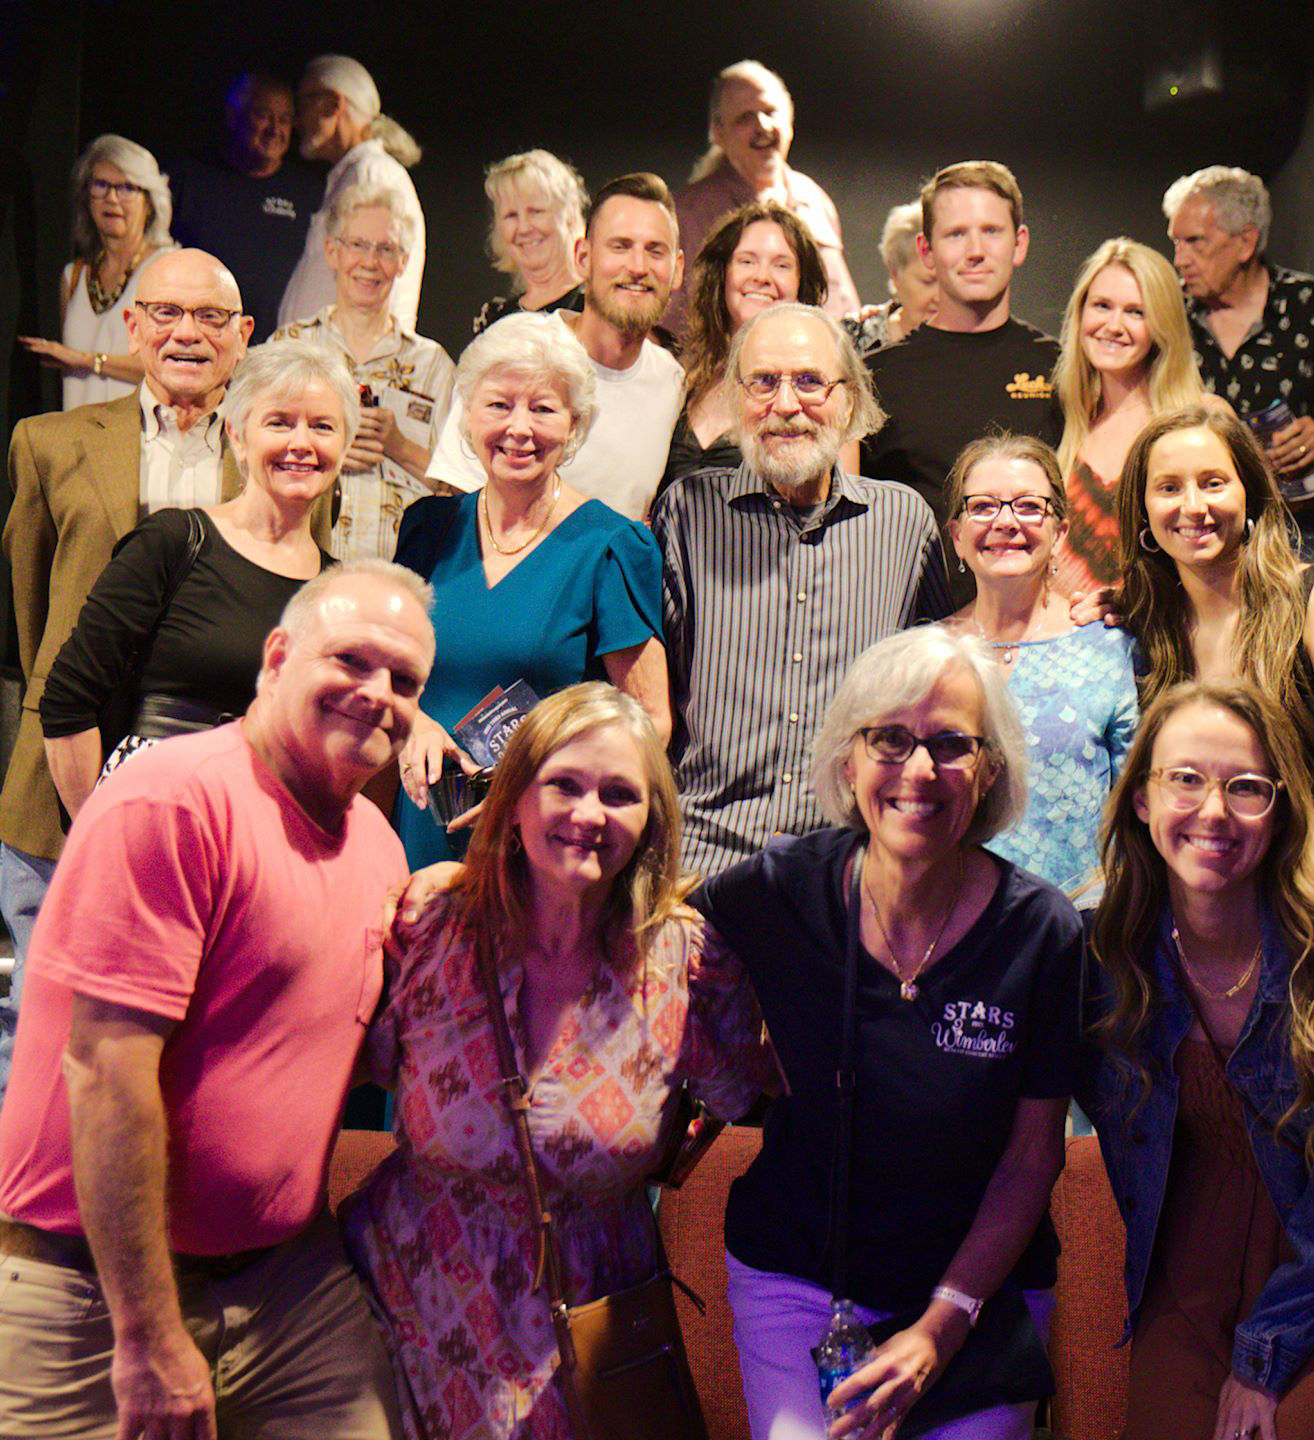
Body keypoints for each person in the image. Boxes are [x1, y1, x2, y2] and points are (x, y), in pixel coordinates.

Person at [0, 561, 435, 1440]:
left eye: (404, 680)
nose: (377, 693)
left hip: (286, 1286)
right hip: (91, 1295)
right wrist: (149, 1332)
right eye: (350, 659)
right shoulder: (176, 800)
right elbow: (104, 1071)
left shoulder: (380, 850)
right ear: (277, 656)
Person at [343, 681, 770, 1440]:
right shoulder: (430, 924)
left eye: (619, 794)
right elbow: (350, 1061)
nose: (587, 814)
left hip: (584, 1349)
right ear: (511, 800)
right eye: (563, 785)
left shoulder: (689, 961)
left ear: (652, 820)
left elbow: (744, 1093)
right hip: (402, 1321)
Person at [693, 625, 1081, 1440]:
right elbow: (649, 931)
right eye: (890, 740)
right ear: (849, 760)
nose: (917, 770)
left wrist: (941, 1326)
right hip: (800, 1280)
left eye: (950, 744)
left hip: (977, 1295)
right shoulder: (779, 888)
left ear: (990, 770)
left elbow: (1032, 1157)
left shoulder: (1041, 932)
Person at [1082, 677, 1314, 1440]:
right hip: (1193, 1244)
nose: (1213, 811)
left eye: (1246, 787)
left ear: (1283, 806)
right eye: (1184, 779)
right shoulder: (1097, 946)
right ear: (1140, 799)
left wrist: (1262, 1360)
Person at [0, 248, 252, 1093]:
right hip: (59, 781)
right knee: (41, 1025)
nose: (188, 333)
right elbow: (30, 614)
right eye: (168, 313)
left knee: (180, 1032)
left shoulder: (272, 455)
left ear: (243, 337)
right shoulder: (47, 444)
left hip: (206, 788)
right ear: (133, 326)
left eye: (212, 317)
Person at [1115, 407, 1314, 952]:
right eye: (1168, 488)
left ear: (1249, 494)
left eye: (1213, 482)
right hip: (1228, 897)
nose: (1194, 506)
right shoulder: (1149, 631)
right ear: (1144, 513)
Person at [653, 301, 948, 879]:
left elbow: (932, 697)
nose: (785, 405)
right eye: (763, 382)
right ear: (738, 399)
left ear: (851, 401)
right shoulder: (687, 511)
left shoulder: (905, 523)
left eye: (810, 381)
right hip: (703, 866)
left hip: (852, 872)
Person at [393, 312, 668, 872]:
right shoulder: (427, 530)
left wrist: (544, 794)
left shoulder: (612, 547)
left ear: (574, 426)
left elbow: (649, 721)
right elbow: (384, 673)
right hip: (417, 831)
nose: (519, 428)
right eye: (499, 405)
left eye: (543, 409)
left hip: (542, 847)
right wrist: (412, 721)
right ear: (468, 415)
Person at [39, 338, 348, 816]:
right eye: (279, 423)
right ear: (238, 438)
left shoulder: (339, 592)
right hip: (152, 812)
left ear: (344, 446)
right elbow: (67, 700)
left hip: (268, 829)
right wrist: (96, 837)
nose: (301, 443)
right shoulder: (173, 541)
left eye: (322, 427)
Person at [941, 434, 1135, 893]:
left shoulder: (1108, 647)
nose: (1006, 522)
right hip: (949, 928)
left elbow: (1139, 807)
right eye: (984, 506)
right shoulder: (922, 657)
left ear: (1060, 532)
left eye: (1029, 506)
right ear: (956, 535)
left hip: (1081, 927)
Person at [430, 175, 686, 521]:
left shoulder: (671, 381)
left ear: (677, 270)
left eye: (655, 251)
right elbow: (455, 497)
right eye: (620, 246)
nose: (638, 267)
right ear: (583, 257)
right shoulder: (516, 347)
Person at [863, 161, 1062, 606]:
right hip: (916, 631)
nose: (975, 250)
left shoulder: (1061, 368)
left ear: (1020, 243)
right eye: (956, 234)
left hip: (1041, 626)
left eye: (991, 231)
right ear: (927, 251)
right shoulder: (876, 378)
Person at [1164, 166, 1314, 570]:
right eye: (1176, 242)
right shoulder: (1168, 312)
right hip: (1194, 533)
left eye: (1195, 242)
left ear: (1246, 242)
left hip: (1297, 531)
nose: (1180, 259)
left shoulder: (1312, 307)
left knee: (1307, 633)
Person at [270, 184, 454, 560]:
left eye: (385, 249)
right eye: (357, 245)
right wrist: (327, 444)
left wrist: (399, 446)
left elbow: (462, 487)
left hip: (401, 575)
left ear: (403, 261)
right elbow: (248, 460)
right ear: (332, 252)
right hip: (302, 568)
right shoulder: (288, 350)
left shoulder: (432, 366)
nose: (370, 262)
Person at [1051, 237, 1224, 595]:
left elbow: (1235, 558)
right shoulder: (1064, 420)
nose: (1114, 325)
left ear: (1162, 324)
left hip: (1166, 639)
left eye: (1135, 312)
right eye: (1102, 305)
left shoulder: (1203, 420)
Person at [668, 59, 858, 334]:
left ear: (790, 120)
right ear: (718, 133)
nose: (762, 126)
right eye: (745, 117)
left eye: (770, 111)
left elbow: (842, 308)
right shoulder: (691, 212)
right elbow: (676, 329)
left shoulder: (814, 200)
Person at [661, 200, 829, 490]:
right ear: (722, 275)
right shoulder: (684, 377)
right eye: (747, 261)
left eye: (781, 265)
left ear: (801, 284)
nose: (762, 277)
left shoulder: (821, 391)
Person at [17, 135, 175, 410]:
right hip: (79, 442)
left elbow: (169, 369)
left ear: (149, 202)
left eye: (126, 187)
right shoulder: (74, 276)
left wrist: (88, 361)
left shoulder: (167, 269)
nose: (111, 198)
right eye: (100, 185)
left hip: (142, 442)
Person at [167, 69, 327, 335]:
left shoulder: (309, 192)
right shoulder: (189, 179)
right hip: (200, 340)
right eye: (263, 115)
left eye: (285, 119)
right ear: (233, 116)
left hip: (279, 350)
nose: (275, 129)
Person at [279, 54, 425, 330]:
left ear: (334, 103)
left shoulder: (373, 174)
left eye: (304, 104)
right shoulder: (351, 175)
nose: (297, 121)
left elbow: (381, 280)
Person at [470, 148, 588, 336]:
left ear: (570, 214)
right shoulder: (493, 320)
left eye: (536, 211)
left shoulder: (597, 307)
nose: (524, 228)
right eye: (511, 215)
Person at [845, 202, 940, 355]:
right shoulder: (853, 341)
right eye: (928, 282)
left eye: (949, 283)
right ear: (894, 272)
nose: (941, 297)